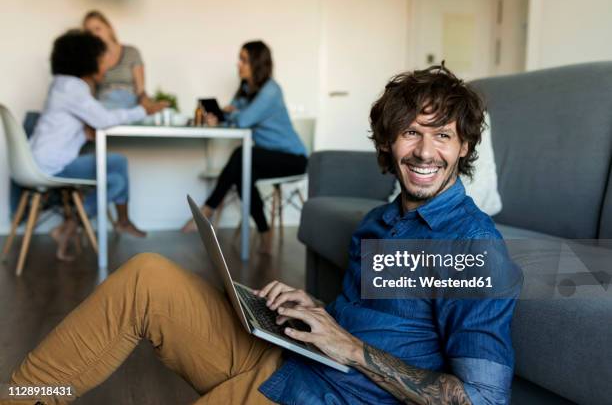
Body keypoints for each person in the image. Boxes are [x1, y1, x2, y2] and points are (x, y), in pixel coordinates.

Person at [4, 65, 520, 405]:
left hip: (324, 397)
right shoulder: (381, 224)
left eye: (443, 136)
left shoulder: (471, 248)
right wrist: (313, 310)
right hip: (291, 361)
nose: (425, 152)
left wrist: (351, 349)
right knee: (146, 277)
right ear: (388, 142)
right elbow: (384, 320)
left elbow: (482, 398)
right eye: (411, 132)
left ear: (464, 146)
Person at [29, 30, 165, 260]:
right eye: (102, 61)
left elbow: (69, 127)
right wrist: (145, 109)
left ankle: (69, 226)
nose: (106, 67)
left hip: (40, 160)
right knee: (119, 163)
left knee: (117, 180)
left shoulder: (62, 85)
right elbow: (104, 120)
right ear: (87, 61)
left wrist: (84, 133)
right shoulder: (73, 87)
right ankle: (116, 221)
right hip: (53, 165)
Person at [181, 41, 308, 255]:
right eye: (239, 59)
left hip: (292, 158)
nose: (238, 64)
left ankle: (207, 210)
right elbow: (233, 115)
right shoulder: (246, 90)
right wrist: (222, 115)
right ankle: (265, 233)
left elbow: (243, 120)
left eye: (243, 59)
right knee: (242, 173)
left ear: (257, 63)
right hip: (268, 156)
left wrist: (228, 114)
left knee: (241, 156)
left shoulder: (271, 90)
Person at [82, 10, 152, 110]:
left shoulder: (131, 52)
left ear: (109, 28)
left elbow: (140, 91)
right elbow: (89, 93)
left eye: (97, 29)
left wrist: (148, 107)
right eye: (89, 32)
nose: (94, 35)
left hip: (128, 103)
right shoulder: (90, 59)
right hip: (103, 104)